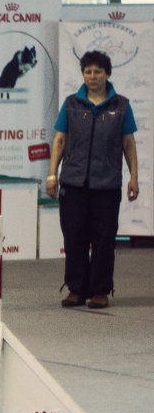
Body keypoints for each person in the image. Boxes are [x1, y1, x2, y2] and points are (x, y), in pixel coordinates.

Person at [47, 50, 140, 310]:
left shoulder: (121, 106)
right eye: (88, 71)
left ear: (107, 74)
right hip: (73, 183)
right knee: (74, 237)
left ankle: (100, 290)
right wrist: (52, 174)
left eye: (98, 71)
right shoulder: (71, 104)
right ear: (83, 74)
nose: (92, 76)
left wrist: (134, 177)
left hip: (107, 185)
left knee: (104, 239)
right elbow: (59, 141)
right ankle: (76, 289)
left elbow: (128, 143)